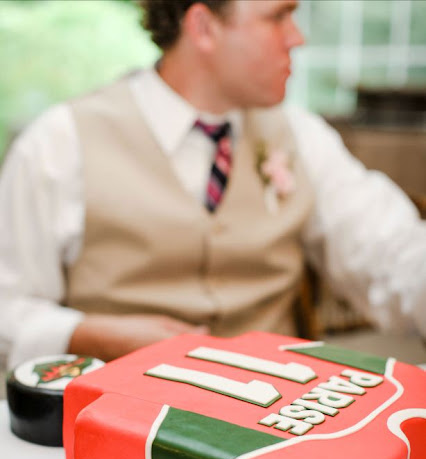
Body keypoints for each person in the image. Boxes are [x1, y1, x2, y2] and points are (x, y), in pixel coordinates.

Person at [0, 0, 425, 369]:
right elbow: (8, 310)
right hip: (119, 426)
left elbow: (391, 252)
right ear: (203, 28)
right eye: (279, 17)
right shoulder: (58, 143)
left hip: (279, 423)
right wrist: (94, 334)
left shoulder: (301, 136)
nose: (297, 38)